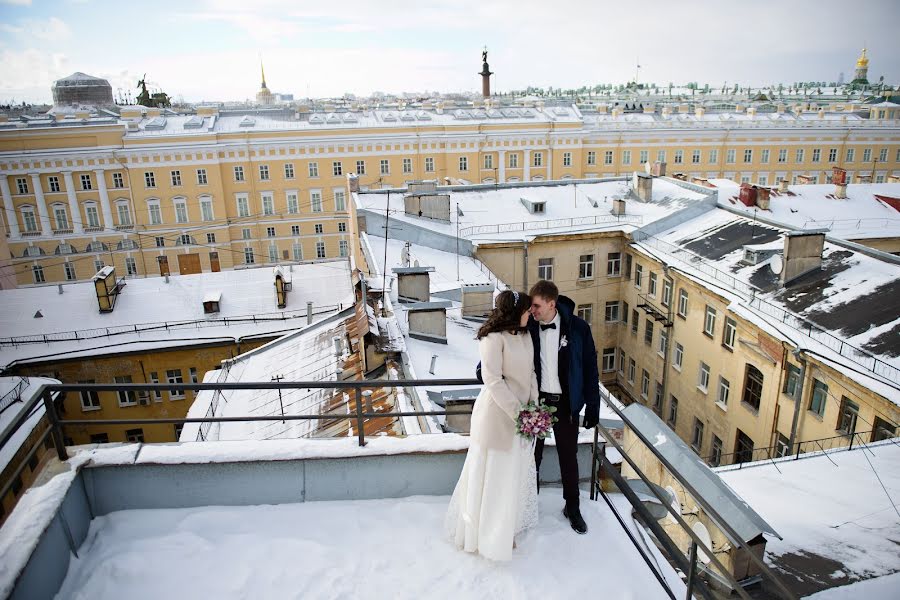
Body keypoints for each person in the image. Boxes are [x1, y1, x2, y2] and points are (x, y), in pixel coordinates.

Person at [445, 290, 539, 561]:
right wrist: (520, 414)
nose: (530, 314)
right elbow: (493, 381)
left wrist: (534, 407)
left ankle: (504, 528)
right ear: (514, 312)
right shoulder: (492, 338)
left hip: (522, 416)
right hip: (496, 416)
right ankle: (485, 535)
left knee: (511, 476)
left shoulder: (525, 335)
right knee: (493, 478)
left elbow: (531, 373)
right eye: (525, 310)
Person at [528, 280, 600, 535]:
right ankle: (528, 507)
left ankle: (573, 507)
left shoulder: (578, 328)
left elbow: (590, 367)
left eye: (536, 305)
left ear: (551, 303)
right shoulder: (528, 327)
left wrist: (593, 405)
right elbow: (506, 347)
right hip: (536, 404)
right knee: (530, 457)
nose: (532, 310)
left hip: (566, 405)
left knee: (568, 458)